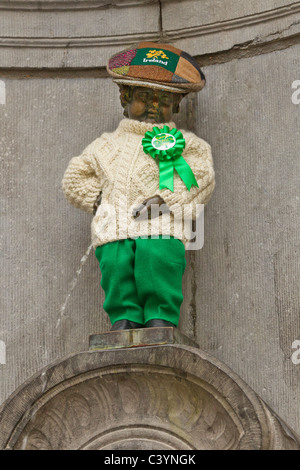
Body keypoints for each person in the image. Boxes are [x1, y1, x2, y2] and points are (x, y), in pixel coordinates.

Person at [62, 41, 215, 331]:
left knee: (158, 262)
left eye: (164, 98)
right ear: (124, 97)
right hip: (114, 228)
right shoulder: (105, 146)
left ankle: (160, 317)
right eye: (145, 96)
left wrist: (169, 199)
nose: (154, 105)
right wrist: (96, 200)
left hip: (161, 226)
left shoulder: (188, 146)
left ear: (177, 105)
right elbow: (75, 177)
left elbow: (200, 177)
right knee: (115, 267)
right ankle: (124, 318)